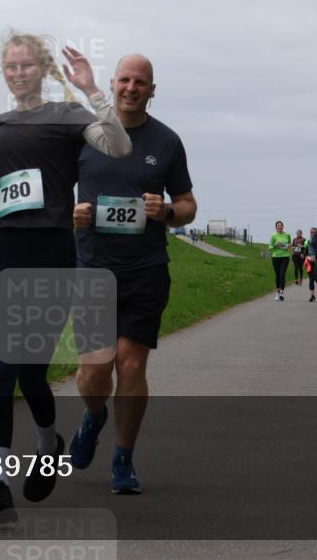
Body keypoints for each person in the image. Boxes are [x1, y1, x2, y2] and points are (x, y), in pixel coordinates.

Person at [0, 32, 131, 523]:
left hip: (50, 252)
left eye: (26, 66)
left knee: (29, 370)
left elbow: (118, 147)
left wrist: (92, 92)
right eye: (10, 67)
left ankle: (46, 443)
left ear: (43, 69)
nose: (18, 74)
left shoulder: (69, 114)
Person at [70, 53, 196, 495]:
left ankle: (123, 457)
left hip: (145, 268)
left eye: (140, 82)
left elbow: (188, 205)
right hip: (93, 267)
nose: (131, 87)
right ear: (113, 83)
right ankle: (94, 416)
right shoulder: (85, 136)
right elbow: (53, 190)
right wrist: (73, 214)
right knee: (93, 372)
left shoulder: (166, 142)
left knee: (130, 362)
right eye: (125, 79)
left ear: (152, 90)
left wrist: (167, 211)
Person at [268, 221, 291, 300]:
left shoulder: (287, 235)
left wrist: (289, 246)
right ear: (276, 227)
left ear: (283, 226)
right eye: (278, 225)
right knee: (277, 275)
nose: (280, 226)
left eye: (281, 225)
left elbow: (289, 244)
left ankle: (281, 293)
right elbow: (270, 247)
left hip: (285, 256)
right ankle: (277, 292)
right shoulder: (273, 236)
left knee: (282, 274)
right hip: (276, 257)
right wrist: (275, 245)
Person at [305, 226, 317, 302]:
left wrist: (315, 257)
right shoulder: (308, 241)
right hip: (309, 261)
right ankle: (312, 295)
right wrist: (306, 257)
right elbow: (306, 251)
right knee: (311, 279)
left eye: (313, 232)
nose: (312, 233)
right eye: (311, 232)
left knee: (316, 278)